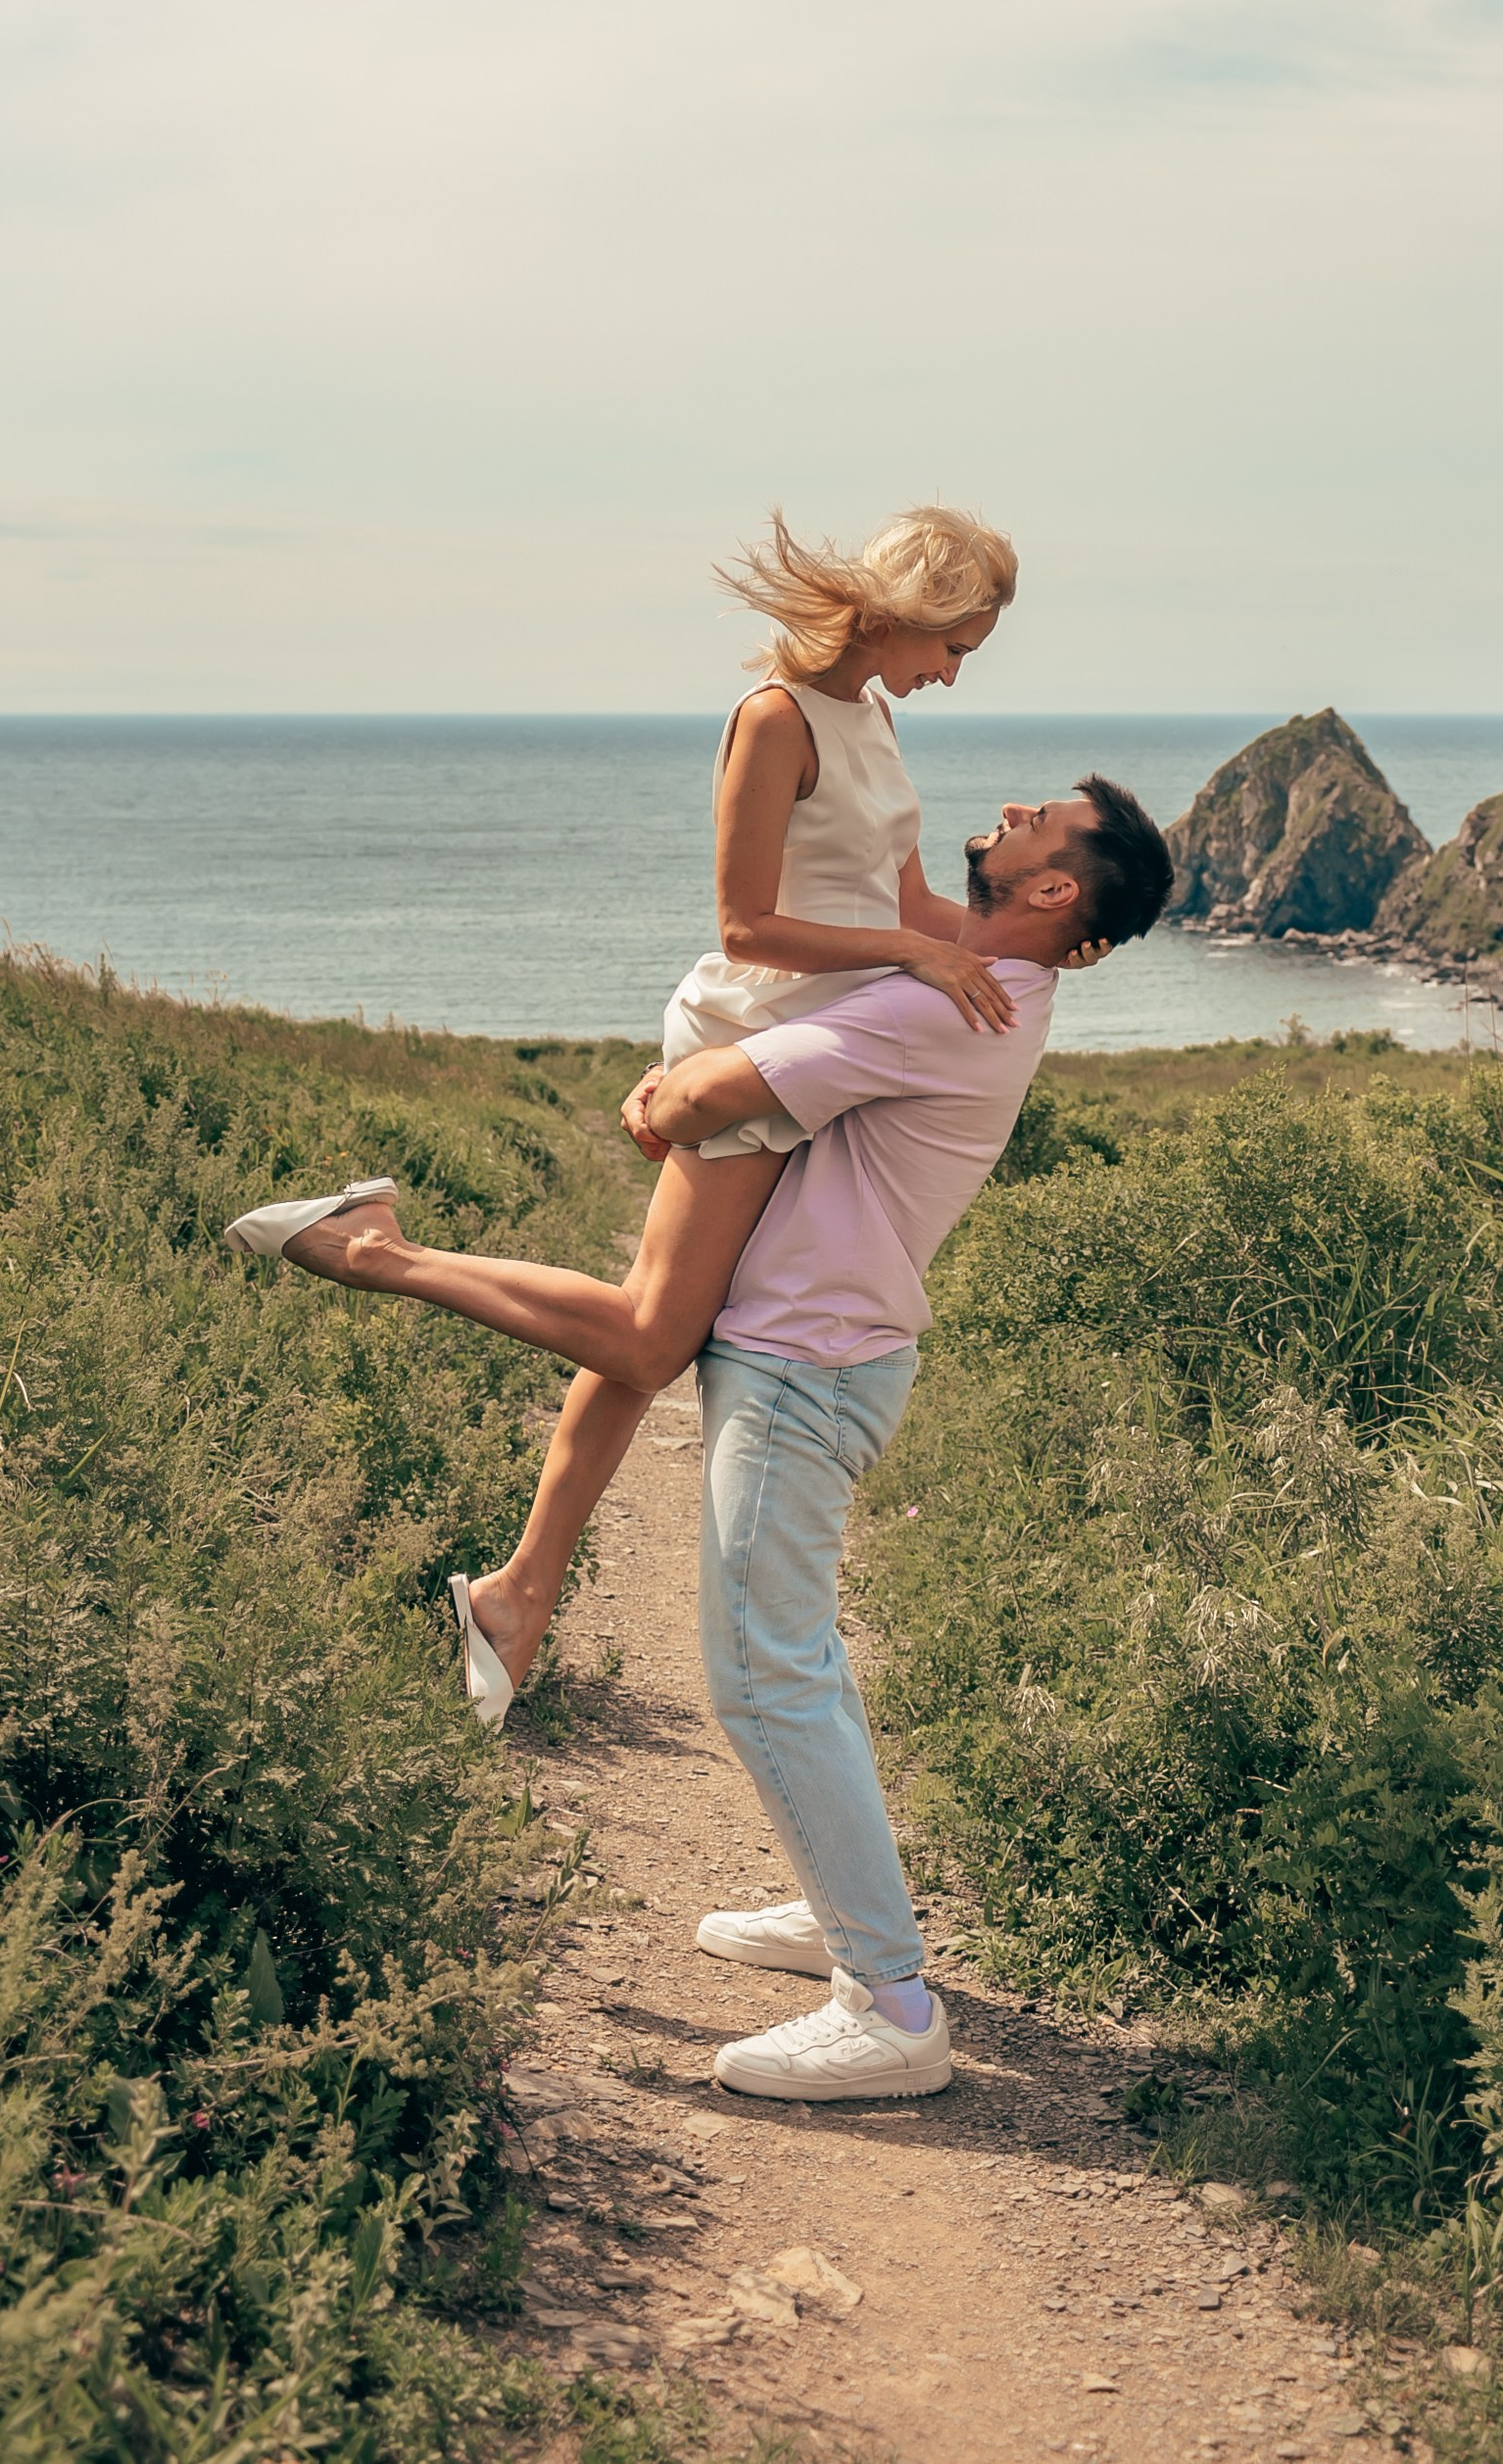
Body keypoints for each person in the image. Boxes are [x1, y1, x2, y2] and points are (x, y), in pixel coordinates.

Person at [226, 774, 1174, 2102]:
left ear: (1059, 887)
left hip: (804, 1371)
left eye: (1045, 813)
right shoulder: (981, 987)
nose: (1014, 806)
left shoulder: (934, 1004)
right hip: (824, 1350)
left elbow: (690, 1105)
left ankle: (892, 2008)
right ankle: (841, 1910)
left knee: (762, 1671)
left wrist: (675, 1094)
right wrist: (701, 1087)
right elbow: (731, 1085)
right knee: (801, 1658)